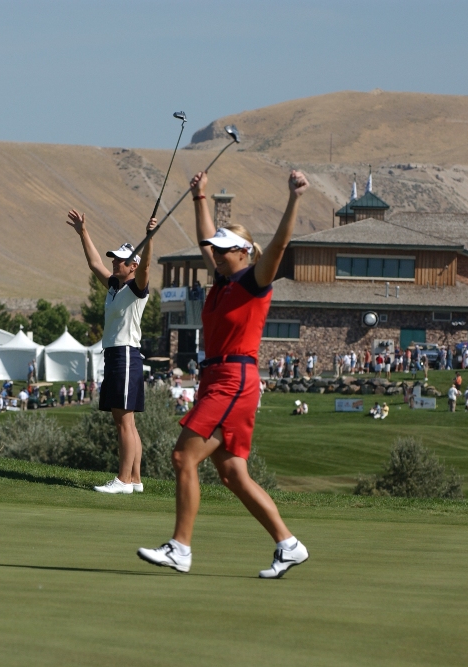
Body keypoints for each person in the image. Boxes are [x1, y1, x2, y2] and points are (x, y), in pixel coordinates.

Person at [137, 168, 310, 578]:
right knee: (232, 474)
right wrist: (201, 196)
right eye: (215, 249)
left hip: (234, 381)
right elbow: (204, 241)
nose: (215, 253)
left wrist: (294, 198)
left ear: (245, 251)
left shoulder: (254, 280)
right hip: (218, 381)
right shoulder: (222, 282)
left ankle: (180, 547)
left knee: (183, 456)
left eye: (224, 249)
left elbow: (281, 244)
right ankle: (289, 545)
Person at [66, 208, 156, 495]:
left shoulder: (137, 287)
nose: (115, 261)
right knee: (125, 421)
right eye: (115, 258)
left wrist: (149, 237)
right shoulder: (115, 287)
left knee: (124, 422)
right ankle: (136, 480)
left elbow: (146, 269)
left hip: (126, 355)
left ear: (133, 266)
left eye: (120, 259)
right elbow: (94, 263)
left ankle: (124, 480)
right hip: (116, 355)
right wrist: (83, 232)